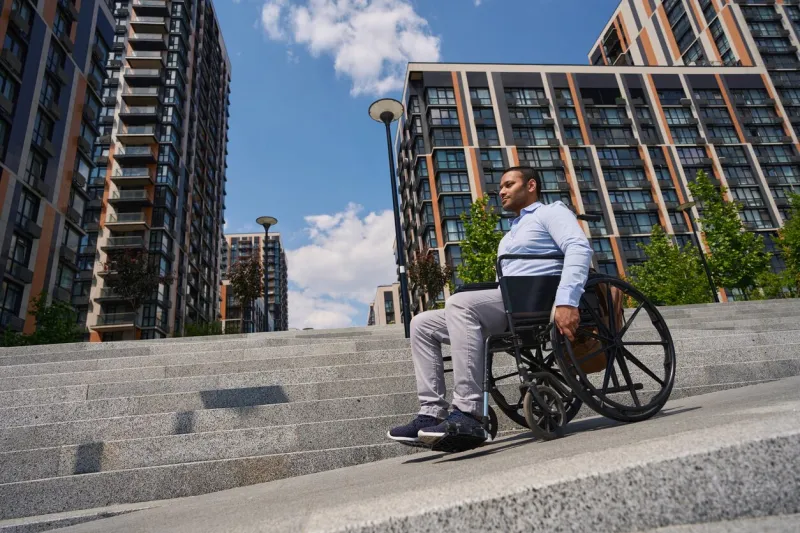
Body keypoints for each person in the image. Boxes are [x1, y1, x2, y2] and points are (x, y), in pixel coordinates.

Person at [387, 166, 593, 451]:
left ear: (531, 185)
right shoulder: (511, 233)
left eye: (509, 184)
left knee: (459, 303)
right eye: (501, 186)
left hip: (537, 302)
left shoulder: (552, 213)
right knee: (422, 323)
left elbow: (579, 248)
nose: (502, 191)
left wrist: (567, 301)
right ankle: (431, 412)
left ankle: (469, 412)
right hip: (510, 302)